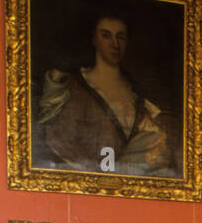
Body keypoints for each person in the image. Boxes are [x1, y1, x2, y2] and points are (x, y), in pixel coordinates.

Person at [38, 13, 180, 176]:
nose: (115, 44)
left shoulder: (138, 95)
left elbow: (156, 150)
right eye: (106, 35)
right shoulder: (73, 88)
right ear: (94, 40)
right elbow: (60, 143)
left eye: (121, 37)